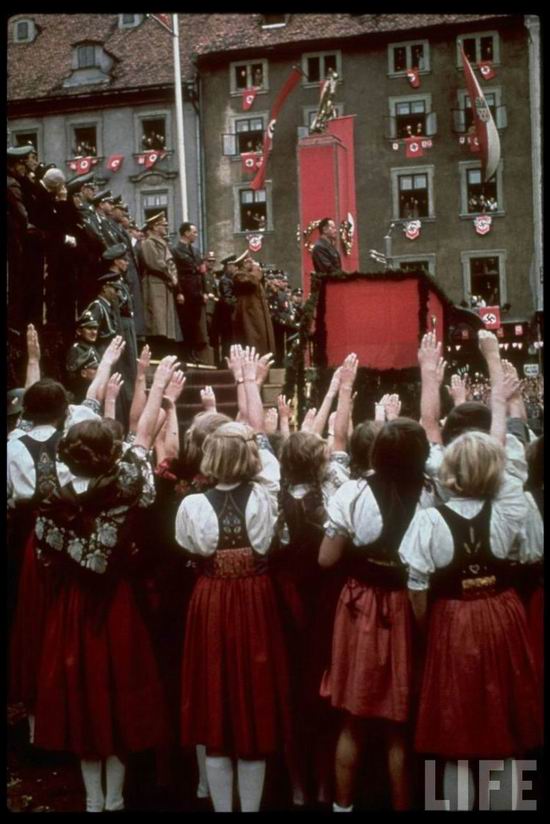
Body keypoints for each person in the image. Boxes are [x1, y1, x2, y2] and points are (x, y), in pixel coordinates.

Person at [31, 357, 178, 813]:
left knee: (82, 700)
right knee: (116, 698)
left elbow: (44, 557)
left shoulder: (50, 494)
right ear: (107, 455)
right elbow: (141, 437)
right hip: (115, 605)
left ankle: (94, 800)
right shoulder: (125, 485)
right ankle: (113, 799)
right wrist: (155, 385)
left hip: (71, 606)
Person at [399, 430, 542, 810]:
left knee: (451, 734)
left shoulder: (430, 519)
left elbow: (417, 586)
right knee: (504, 732)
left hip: (452, 620)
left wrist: (428, 627)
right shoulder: (510, 511)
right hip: (501, 615)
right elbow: (530, 553)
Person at [175, 348, 292, 812]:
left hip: (211, 599)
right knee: (252, 705)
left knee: (216, 705)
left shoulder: (192, 505)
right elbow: (263, 445)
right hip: (255, 598)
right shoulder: (266, 494)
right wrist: (249, 384)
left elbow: (189, 547)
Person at [319, 413, 434, 812]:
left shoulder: (352, 493)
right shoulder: (432, 493)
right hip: (408, 603)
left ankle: (343, 806)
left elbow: (326, 559)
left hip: (361, 606)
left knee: (353, 719)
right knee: (397, 726)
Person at [140, 212, 183, 357]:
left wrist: (172, 276)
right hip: (154, 284)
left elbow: (170, 263)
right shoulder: (149, 243)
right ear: (154, 227)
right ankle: (156, 352)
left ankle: (165, 351)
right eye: (163, 225)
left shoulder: (162, 243)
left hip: (164, 284)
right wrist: (170, 275)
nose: (166, 227)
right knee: (157, 321)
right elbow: (154, 263)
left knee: (165, 322)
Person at [172, 222, 208, 363]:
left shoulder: (196, 251)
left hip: (196, 291)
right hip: (185, 291)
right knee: (186, 324)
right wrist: (178, 292)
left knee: (195, 324)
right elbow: (174, 273)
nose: (196, 235)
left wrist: (205, 291)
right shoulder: (176, 251)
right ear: (186, 233)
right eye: (194, 232)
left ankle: (193, 352)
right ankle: (186, 354)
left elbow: (202, 272)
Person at [232, 252, 276, 356]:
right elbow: (251, 282)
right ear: (244, 264)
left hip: (257, 313)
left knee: (262, 338)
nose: (253, 263)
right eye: (250, 261)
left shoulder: (251, 275)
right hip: (248, 314)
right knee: (252, 339)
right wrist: (256, 271)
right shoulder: (239, 275)